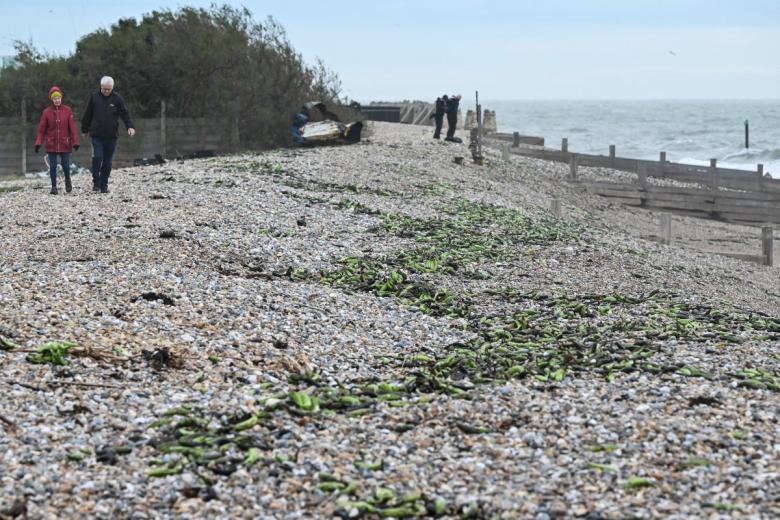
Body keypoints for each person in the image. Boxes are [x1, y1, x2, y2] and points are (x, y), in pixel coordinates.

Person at [81, 76, 135, 193]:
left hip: (111, 136)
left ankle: (104, 184)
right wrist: (84, 130)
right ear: (101, 87)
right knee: (97, 157)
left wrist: (130, 126)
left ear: (112, 88)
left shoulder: (117, 99)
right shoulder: (94, 97)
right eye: (104, 89)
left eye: (109, 89)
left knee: (107, 162)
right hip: (97, 135)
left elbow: (125, 114)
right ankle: (96, 181)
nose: (106, 91)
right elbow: (87, 114)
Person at [35, 86, 80, 195]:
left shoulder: (67, 110)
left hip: (65, 143)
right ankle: (54, 187)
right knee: (53, 166)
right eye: (55, 98)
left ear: (61, 98)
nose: (57, 100)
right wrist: (38, 143)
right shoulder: (46, 112)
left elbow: (72, 128)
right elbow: (41, 129)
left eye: (58, 98)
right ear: (51, 99)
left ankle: (68, 180)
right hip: (51, 143)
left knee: (65, 165)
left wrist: (75, 142)